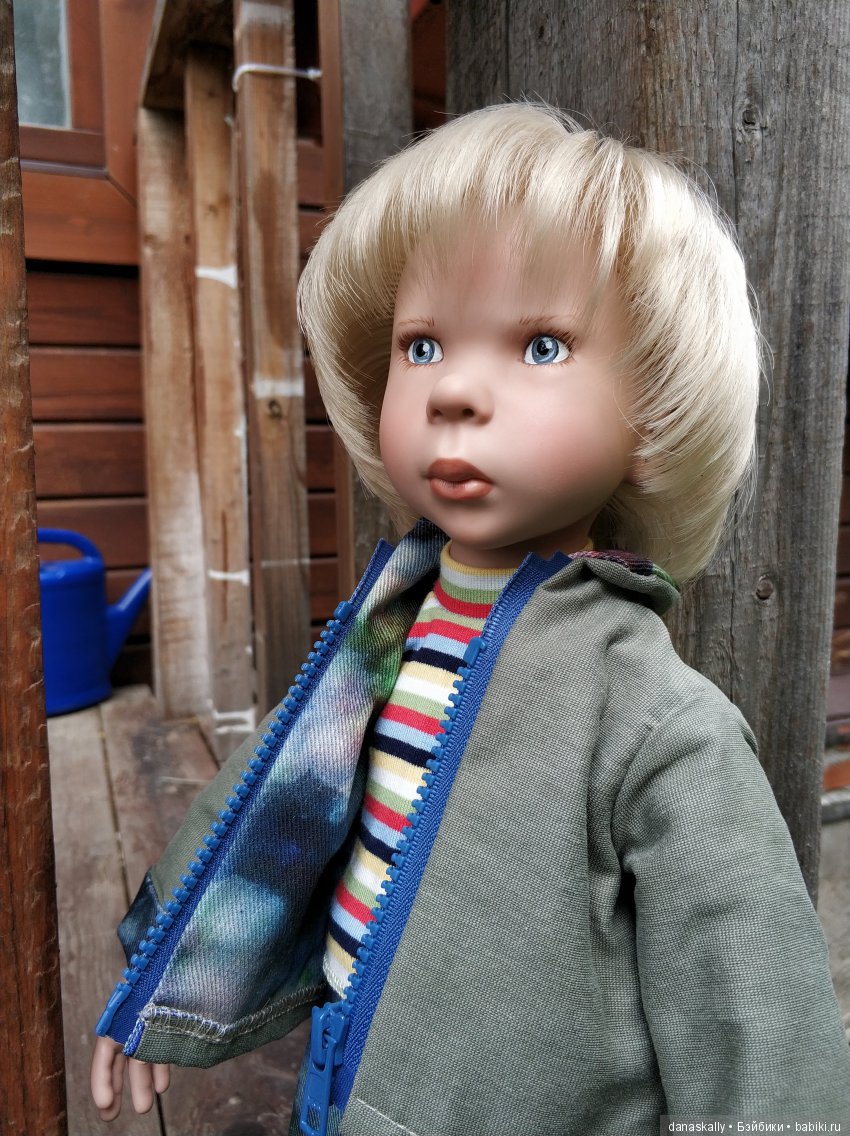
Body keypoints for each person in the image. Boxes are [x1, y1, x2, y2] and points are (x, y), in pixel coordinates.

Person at [90, 103, 850, 1134]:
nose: (453, 389)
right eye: (422, 344)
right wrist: (163, 973)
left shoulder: (655, 720)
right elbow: (265, 799)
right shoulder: (381, 631)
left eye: (540, 345)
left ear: (654, 416)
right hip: (341, 1083)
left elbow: (752, 1012)